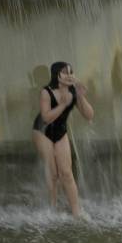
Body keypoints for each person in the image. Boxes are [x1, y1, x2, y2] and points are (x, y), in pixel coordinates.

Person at [32, 61, 95, 216]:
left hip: (60, 132)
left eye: (71, 72)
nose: (69, 75)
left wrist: (80, 97)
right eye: (65, 72)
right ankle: (52, 208)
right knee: (53, 173)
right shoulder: (46, 92)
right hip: (42, 131)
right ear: (56, 74)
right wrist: (63, 105)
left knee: (66, 173)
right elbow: (46, 118)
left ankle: (76, 212)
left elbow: (89, 116)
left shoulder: (73, 91)